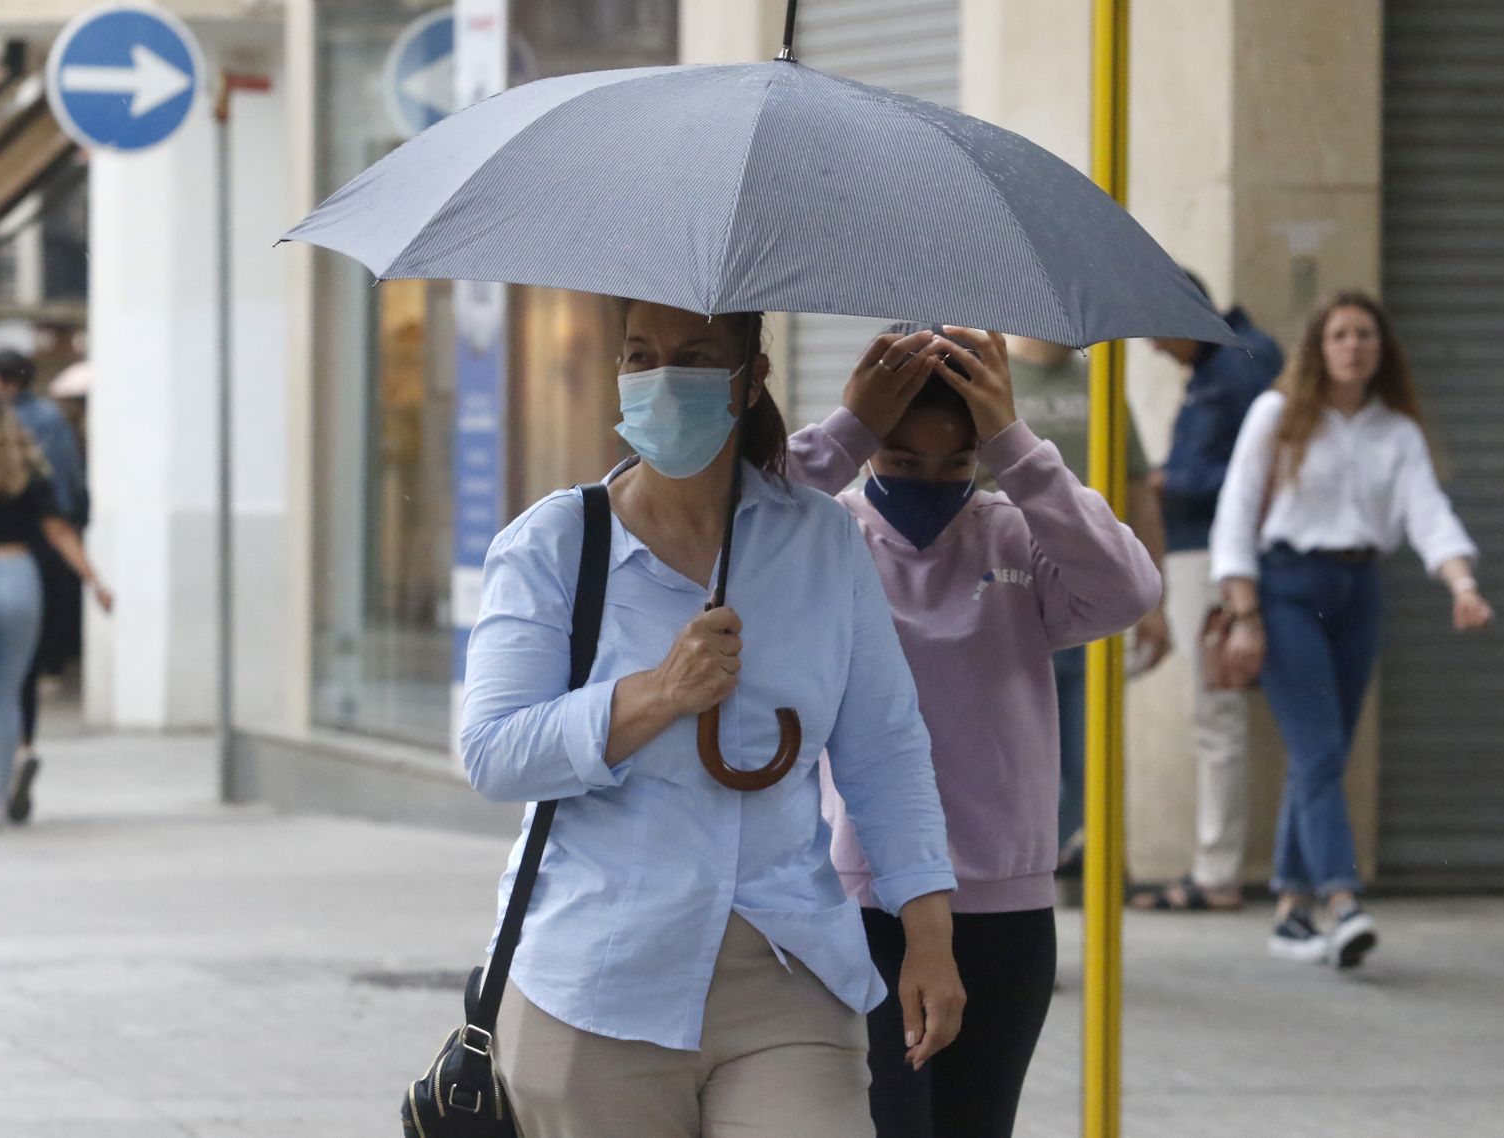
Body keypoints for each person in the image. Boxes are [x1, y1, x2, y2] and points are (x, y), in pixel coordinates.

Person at [460, 300, 965, 1138]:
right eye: (640, 355)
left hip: (787, 967)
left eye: (694, 357)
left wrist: (929, 933)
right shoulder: (554, 544)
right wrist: (657, 693)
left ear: (750, 376)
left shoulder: (822, 543)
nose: (662, 379)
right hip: (598, 978)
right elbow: (494, 754)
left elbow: (887, 751)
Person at [788, 324, 1161, 1138]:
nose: (927, 484)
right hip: (864, 900)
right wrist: (846, 430)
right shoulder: (828, 534)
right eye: (901, 462)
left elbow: (1129, 589)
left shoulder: (1014, 534)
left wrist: (1017, 447)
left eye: (955, 463)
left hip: (1004, 906)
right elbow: (731, 518)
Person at [1210, 291, 1493, 967]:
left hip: (1359, 590)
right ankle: (1342, 900)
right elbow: (1236, 515)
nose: (1353, 345)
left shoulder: (1395, 429)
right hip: (1284, 589)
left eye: (1365, 334)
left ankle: (1290, 911)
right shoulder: (1277, 415)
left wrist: (1462, 584)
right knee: (1319, 752)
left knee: (1324, 750)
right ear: (1319, 345)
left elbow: (1429, 513)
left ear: (1381, 350)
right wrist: (1243, 612)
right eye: (1339, 333)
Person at [1131, 276, 1284, 912]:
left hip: (1219, 555)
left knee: (1216, 715)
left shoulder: (1239, 366)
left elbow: (1263, 466)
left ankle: (1217, 871)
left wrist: (1173, 480)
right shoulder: (1225, 365)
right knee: (1215, 715)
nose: (1156, 351)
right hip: (1208, 551)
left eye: (1156, 334)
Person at [1001, 335, 1171, 886]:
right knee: (1020, 770)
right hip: (1010, 597)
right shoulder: (996, 374)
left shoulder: (1100, 381)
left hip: (1092, 600)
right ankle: (1009, 896)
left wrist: (1155, 603)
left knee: (1082, 772)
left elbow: (1137, 488)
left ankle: (1027, 890)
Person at [0, 390, 111, 829]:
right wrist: (94, 581)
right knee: (6, 693)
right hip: (19, 575)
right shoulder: (28, 472)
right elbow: (59, 531)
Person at [0, 350, 89, 791]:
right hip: (27, 563)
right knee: (15, 680)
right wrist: (91, 576)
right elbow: (67, 497)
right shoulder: (44, 428)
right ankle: (19, 752)